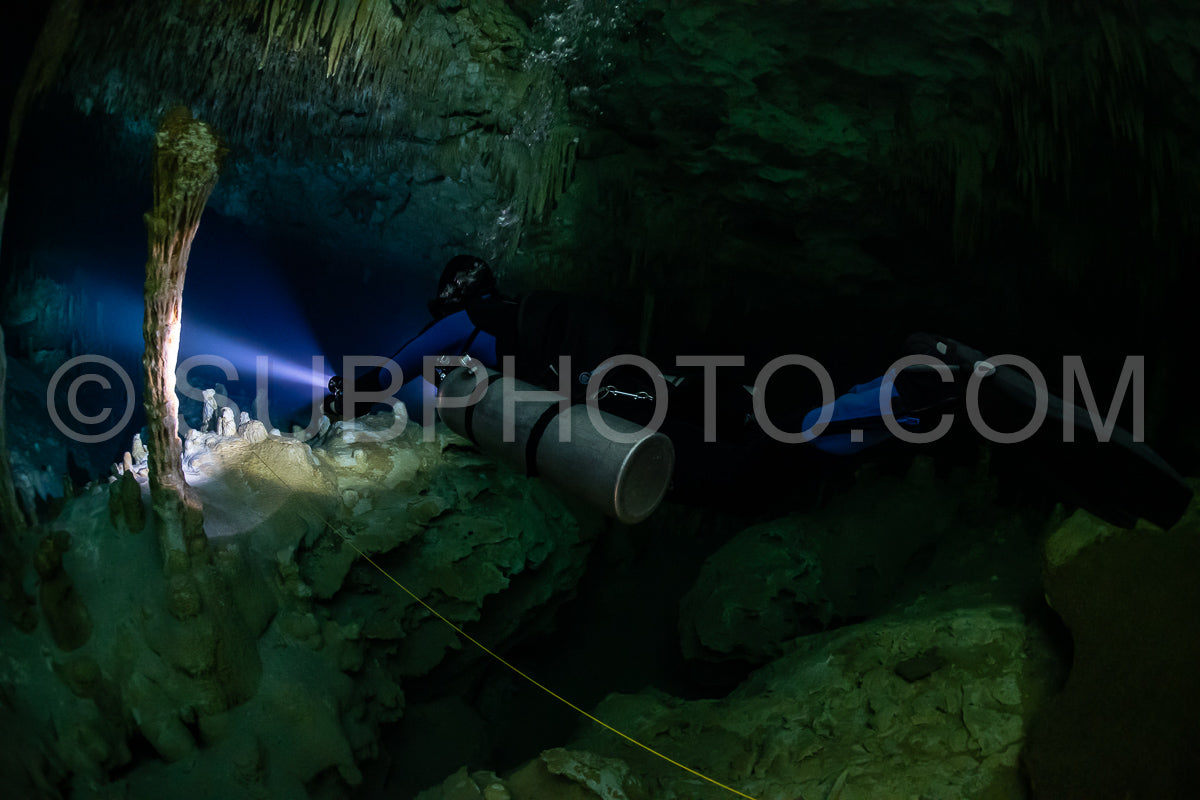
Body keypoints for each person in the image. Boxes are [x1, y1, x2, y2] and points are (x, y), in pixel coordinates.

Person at [328, 256, 1192, 529]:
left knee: (751, 454)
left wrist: (343, 394)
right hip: (654, 376)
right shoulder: (539, 309)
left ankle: (921, 384)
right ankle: (923, 400)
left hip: (636, 396)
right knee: (762, 437)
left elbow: (404, 363)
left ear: (459, 293)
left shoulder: (481, 324)